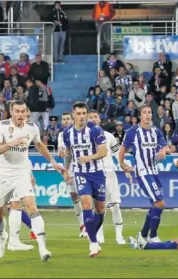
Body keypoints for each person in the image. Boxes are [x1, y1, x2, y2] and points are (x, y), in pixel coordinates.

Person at [0, 99, 65, 261]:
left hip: (22, 172)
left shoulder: (32, 127)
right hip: (2, 174)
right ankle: (2, 237)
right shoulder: (1, 126)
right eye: (17, 111)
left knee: (31, 206)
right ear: (11, 112)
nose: (21, 114)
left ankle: (43, 248)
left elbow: (39, 145)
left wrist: (53, 162)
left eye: (23, 111)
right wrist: (11, 144)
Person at [119, 104, 169, 246]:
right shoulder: (132, 132)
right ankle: (153, 236)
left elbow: (165, 146)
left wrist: (164, 151)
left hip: (154, 172)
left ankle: (142, 235)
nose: (147, 115)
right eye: (144, 113)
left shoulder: (156, 131)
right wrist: (122, 164)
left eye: (149, 112)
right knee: (159, 203)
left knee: (155, 204)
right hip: (143, 172)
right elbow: (122, 149)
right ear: (140, 116)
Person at [63, 102, 108, 257]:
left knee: (100, 209)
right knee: (86, 204)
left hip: (97, 173)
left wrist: (89, 157)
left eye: (84, 114)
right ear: (73, 115)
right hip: (80, 173)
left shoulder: (95, 130)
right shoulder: (67, 133)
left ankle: (92, 235)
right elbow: (69, 152)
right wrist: (66, 168)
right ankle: (93, 243)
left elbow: (104, 152)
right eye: (79, 114)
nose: (82, 117)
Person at [88, 110, 129, 245]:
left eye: (95, 117)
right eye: (91, 117)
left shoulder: (109, 136)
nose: (94, 119)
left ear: (100, 119)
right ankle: (99, 234)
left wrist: (124, 166)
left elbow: (118, 154)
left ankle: (119, 236)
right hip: (96, 176)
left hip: (110, 175)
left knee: (116, 206)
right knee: (99, 208)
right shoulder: (85, 137)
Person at [57, 112, 86, 237]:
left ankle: (88, 224)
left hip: (82, 168)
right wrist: (61, 153)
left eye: (68, 119)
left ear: (72, 119)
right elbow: (61, 151)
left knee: (85, 196)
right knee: (74, 196)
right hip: (69, 170)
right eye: (63, 119)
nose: (65, 121)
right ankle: (82, 225)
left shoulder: (80, 132)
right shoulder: (61, 135)